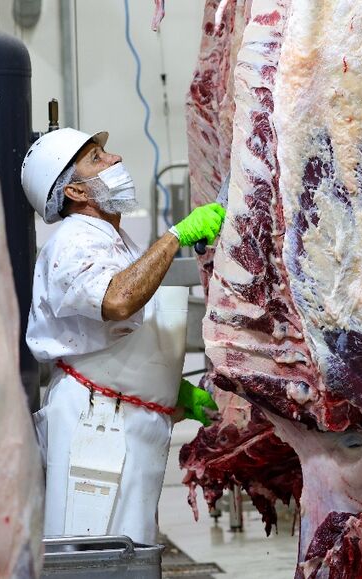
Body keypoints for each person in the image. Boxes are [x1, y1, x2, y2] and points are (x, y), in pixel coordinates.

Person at [21, 128, 222, 544]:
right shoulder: (73, 241)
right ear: (76, 191)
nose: (115, 160)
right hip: (97, 429)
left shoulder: (113, 240)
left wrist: (171, 392)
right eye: (97, 158)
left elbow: (115, 334)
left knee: (129, 548)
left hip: (120, 417)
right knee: (98, 553)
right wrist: (175, 237)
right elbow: (117, 301)